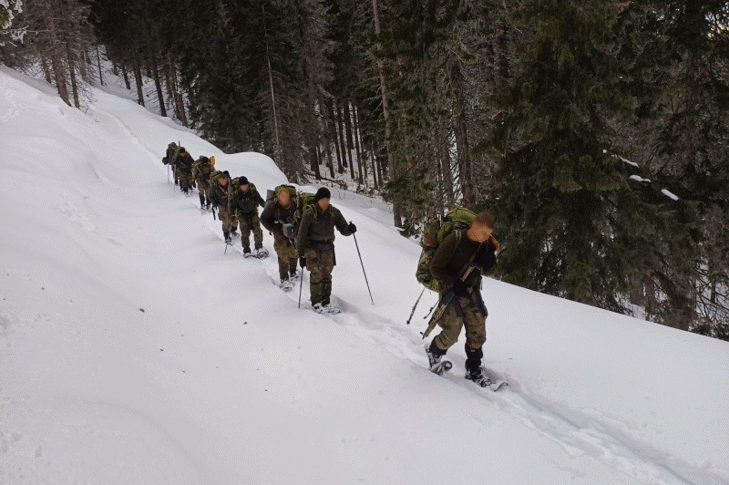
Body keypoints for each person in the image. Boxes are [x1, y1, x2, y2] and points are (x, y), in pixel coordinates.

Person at [424, 211, 498, 387]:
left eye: (489, 234)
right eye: (484, 233)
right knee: (452, 331)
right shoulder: (454, 240)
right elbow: (435, 268)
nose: (487, 237)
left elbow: (490, 270)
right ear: (474, 227)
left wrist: (489, 262)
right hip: (452, 289)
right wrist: (451, 283)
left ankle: (473, 369)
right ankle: (434, 352)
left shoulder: (484, 244)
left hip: (471, 290)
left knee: (478, 328)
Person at [295, 187, 356, 313]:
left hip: (327, 247)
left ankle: (326, 302)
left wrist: (350, 229)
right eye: (322, 199)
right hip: (312, 247)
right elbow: (301, 235)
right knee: (316, 274)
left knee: (327, 274)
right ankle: (316, 303)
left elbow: (343, 229)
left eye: (327, 199)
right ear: (318, 200)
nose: (325, 202)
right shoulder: (309, 213)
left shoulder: (334, 212)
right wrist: (301, 254)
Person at [260, 186, 299, 286]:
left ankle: (293, 271)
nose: (283, 198)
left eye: (285, 195)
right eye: (281, 196)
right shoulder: (273, 206)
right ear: (277, 196)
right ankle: (284, 278)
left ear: (289, 196)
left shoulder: (295, 204)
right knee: (282, 255)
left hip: (294, 231)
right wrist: (273, 228)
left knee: (295, 252)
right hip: (279, 233)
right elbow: (263, 219)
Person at [230, 176, 266, 257]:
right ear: (239, 186)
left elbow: (260, 200)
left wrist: (266, 207)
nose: (244, 187)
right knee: (245, 232)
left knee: (257, 230)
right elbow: (232, 206)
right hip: (242, 214)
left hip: (253, 212)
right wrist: (232, 215)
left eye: (246, 185)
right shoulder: (236, 194)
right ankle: (246, 250)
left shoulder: (253, 191)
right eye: (242, 186)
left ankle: (259, 247)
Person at [207, 170, 233, 243]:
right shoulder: (215, 186)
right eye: (221, 180)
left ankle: (233, 231)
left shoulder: (231, 184)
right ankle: (226, 237)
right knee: (226, 221)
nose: (223, 182)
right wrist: (215, 203)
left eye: (224, 180)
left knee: (234, 219)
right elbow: (210, 195)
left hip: (231, 204)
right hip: (221, 204)